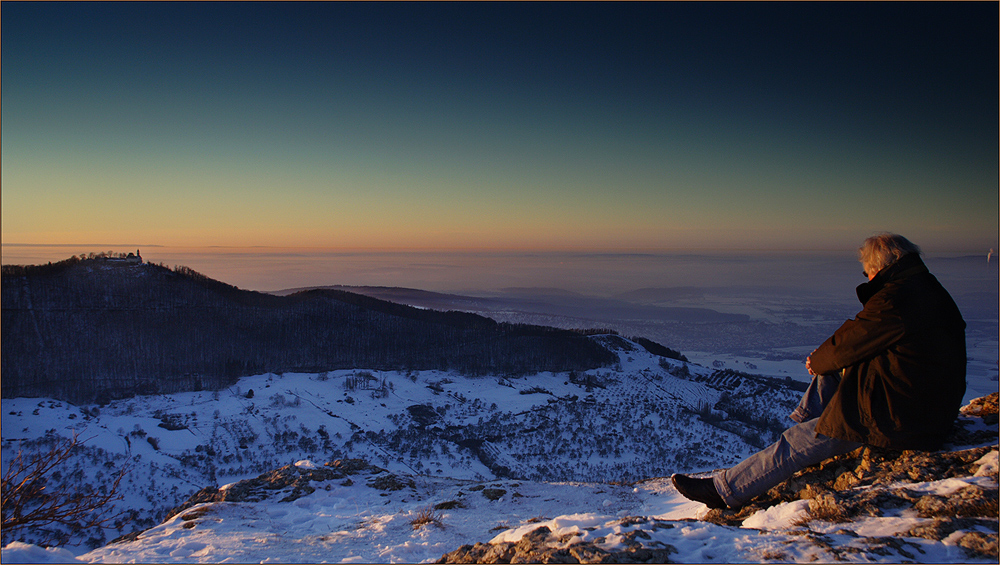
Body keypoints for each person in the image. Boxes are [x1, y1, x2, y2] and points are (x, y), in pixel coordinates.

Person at [672, 233, 967, 510]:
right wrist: (827, 363)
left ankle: (723, 491)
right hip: (919, 405)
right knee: (830, 376)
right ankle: (807, 430)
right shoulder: (923, 290)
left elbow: (848, 344)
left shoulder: (896, 300)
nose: (867, 277)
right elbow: (853, 345)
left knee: (798, 438)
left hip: (900, 419)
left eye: (867, 272)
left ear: (880, 267)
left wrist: (818, 362)